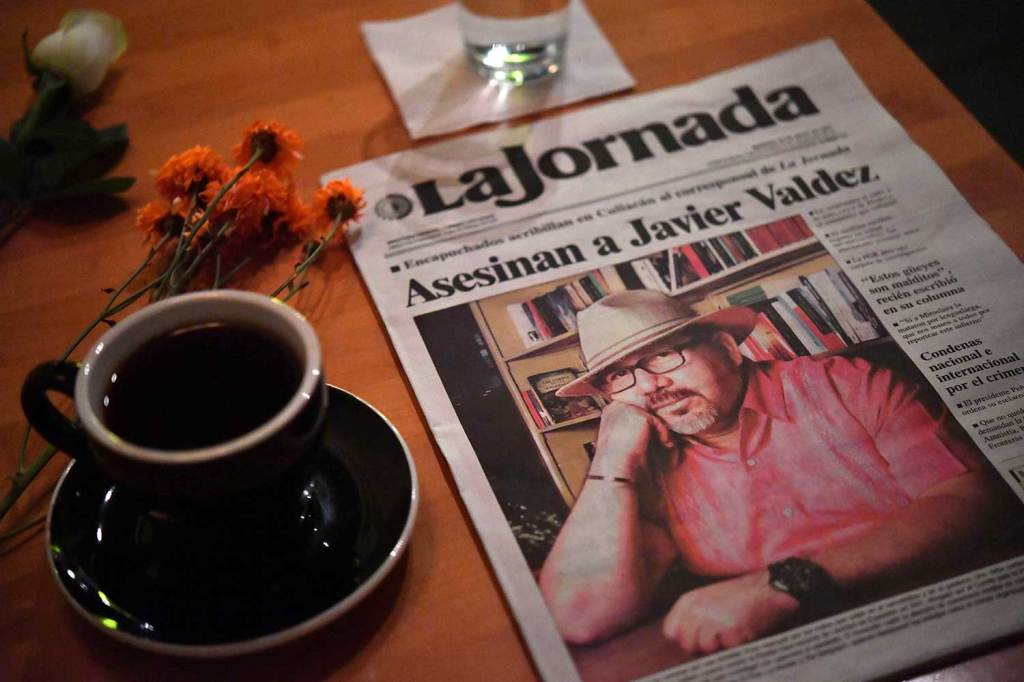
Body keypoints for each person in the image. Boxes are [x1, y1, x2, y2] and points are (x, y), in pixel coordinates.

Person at [539, 290, 1009, 654]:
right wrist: (610, 458)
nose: (650, 387)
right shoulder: (645, 466)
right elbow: (579, 616)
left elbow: (971, 501)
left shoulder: (848, 384)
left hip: (962, 620)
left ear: (727, 347)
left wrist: (781, 583)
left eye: (662, 355)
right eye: (618, 377)